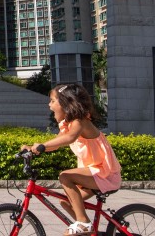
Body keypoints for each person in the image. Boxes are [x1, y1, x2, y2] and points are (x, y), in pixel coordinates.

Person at [21, 83, 121, 236]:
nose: (49, 105)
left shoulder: (80, 122)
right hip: (94, 173)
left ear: (65, 103)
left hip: (104, 173)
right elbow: (56, 144)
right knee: (66, 202)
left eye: (53, 101)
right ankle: (88, 230)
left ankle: (83, 223)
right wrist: (31, 148)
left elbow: (70, 138)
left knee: (65, 176)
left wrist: (41, 145)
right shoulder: (68, 125)